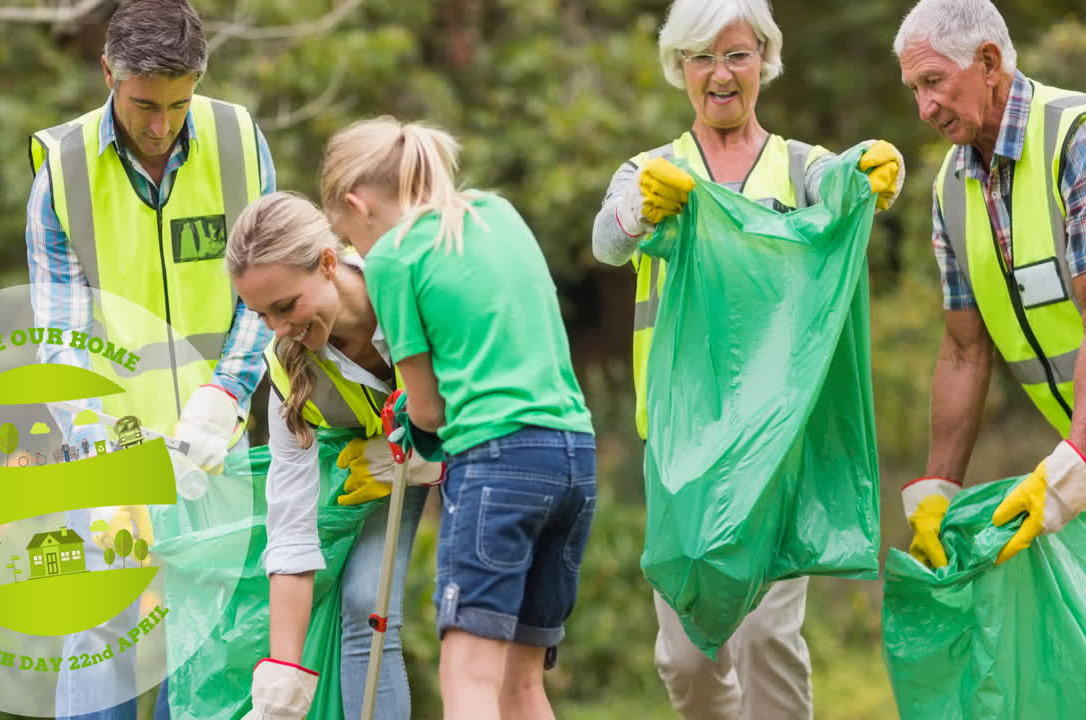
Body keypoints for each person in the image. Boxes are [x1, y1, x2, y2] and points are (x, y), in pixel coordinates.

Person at [590, 0, 902, 718]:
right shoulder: (652, 168)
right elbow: (607, 242)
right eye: (702, 57)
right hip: (681, 449)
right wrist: (640, 209)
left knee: (767, 641)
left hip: (775, 446)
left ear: (765, 60)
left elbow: (850, 186)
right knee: (688, 660)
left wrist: (878, 172)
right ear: (680, 68)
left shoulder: (799, 169)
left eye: (737, 55)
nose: (721, 74)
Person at [23, 1, 275, 718]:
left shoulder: (238, 141)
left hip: (214, 452)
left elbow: (267, 290)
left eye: (177, 103)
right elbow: (63, 333)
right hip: (109, 451)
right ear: (108, 73)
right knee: (103, 638)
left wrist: (225, 398)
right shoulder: (63, 172)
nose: (161, 126)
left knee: (202, 654)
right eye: (143, 105)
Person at [318, 116, 597, 720]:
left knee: (468, 678)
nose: (359, 256)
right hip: (574, 454)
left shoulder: (392, 256)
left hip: (499, 462)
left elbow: (428, 409)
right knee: (522, 685)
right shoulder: (497, 213)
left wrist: (412, 435)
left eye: (350, 239)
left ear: (356, 204)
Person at [226, 192, 441, 720]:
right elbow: (292, 528)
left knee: (470, 617)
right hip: (387, 472)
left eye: (286, 306)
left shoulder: (412, 288)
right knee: (364, 607)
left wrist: (421, 455)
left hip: (478, 458)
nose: (278, 330)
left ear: (327, 262)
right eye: (261, 314)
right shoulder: (286, 370)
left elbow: (493, 407)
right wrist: (283, 681)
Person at [894, 0, 1086, 569]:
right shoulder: (950, 190)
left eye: (934, 81)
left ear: (988, 61)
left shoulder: (1075, 140)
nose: (925, 108)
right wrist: (939, 489)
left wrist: (1075, 459)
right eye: (914, 89)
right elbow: (963, 351)